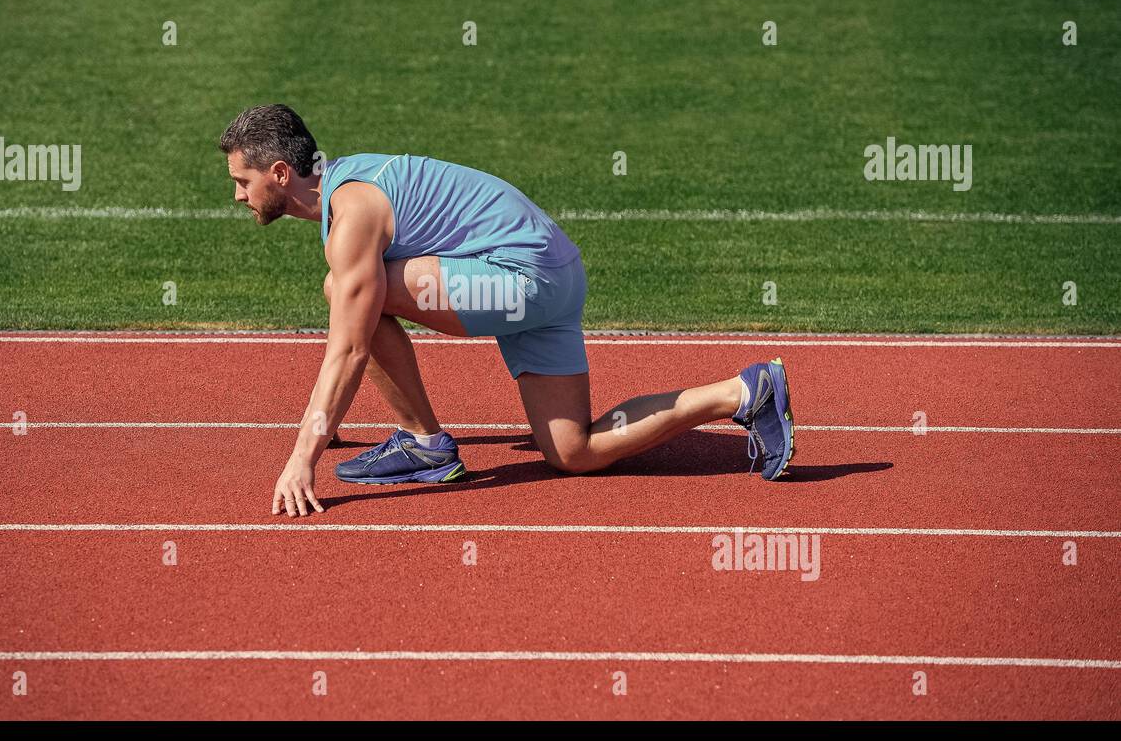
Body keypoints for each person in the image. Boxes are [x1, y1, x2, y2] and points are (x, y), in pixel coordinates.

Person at [219, 104, 795, 517]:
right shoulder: (351, 181)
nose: (239, 196)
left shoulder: (352, 217)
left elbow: (350, 347)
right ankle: (744, 393)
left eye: (243, 182)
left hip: (524, 281)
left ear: (279, 174)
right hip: (553, 275)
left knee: (346, 295)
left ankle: (423, 442)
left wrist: (304, 457)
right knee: (573, 451)